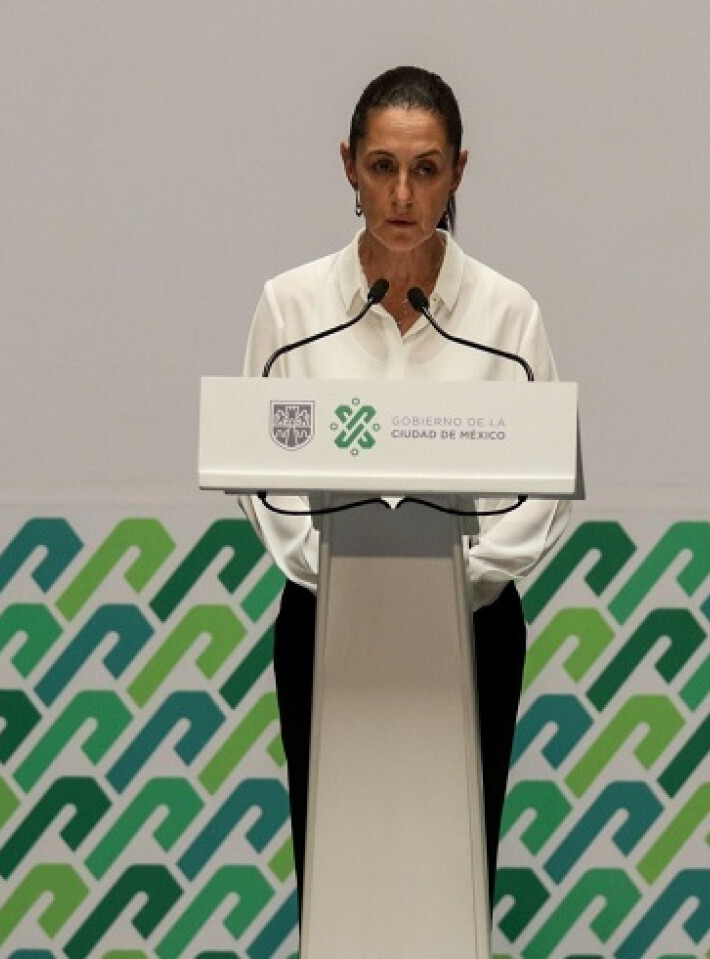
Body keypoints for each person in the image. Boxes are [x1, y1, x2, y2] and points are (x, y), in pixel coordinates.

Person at [240, 65, 570, 911]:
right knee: (339, 873)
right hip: (327, 624)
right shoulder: (292, 307)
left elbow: (544, 491)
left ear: (459, 171)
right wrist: (353, 579)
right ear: (347, 165)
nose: (401, 192)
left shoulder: (506, 316)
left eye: (425, 169)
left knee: (451, 872)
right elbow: (262, 484)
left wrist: (442, 583)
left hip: (469, 627)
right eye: (382, 166)